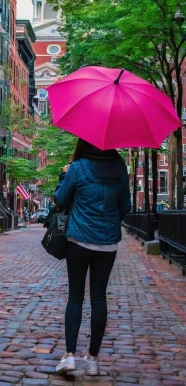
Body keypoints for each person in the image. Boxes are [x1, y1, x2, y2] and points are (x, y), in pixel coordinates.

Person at [54, 138, 131, 375]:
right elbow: (126, 207)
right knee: (99, 297)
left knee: (75, 296)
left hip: (78, 239)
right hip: (107, 243)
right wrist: (108, 221)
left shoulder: (78, 167)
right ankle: (93, 360)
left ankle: (69, 356)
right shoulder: (120, 166)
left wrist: (63, 176)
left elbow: (60, 200)